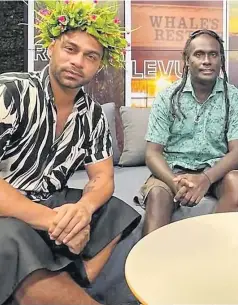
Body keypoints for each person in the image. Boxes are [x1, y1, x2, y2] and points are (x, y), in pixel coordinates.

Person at [0, 1, 141, 304]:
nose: (78, 61)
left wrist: (83, 211)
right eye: (70, 49)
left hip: (50, 200)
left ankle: (70, 280)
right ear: (51, 47)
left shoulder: (92, 114)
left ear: (99, 65)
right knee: (9, 236)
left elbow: (103, 178)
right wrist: (55, 222)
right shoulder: (10, 92)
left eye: (90, 56)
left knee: (116, 210)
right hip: (8, 206)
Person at [137, 29, 238, 236]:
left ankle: (213, 254)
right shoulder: (167, 98)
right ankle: (149, 265)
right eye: (199, 54)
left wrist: (206, 179)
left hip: (216, 173)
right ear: (187, 60)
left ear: (221, 60)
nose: (207, 60)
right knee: (157, 194)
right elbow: (152, 153)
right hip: (172, 172)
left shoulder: (235, 98)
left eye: (213, 54)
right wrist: (174, 182)